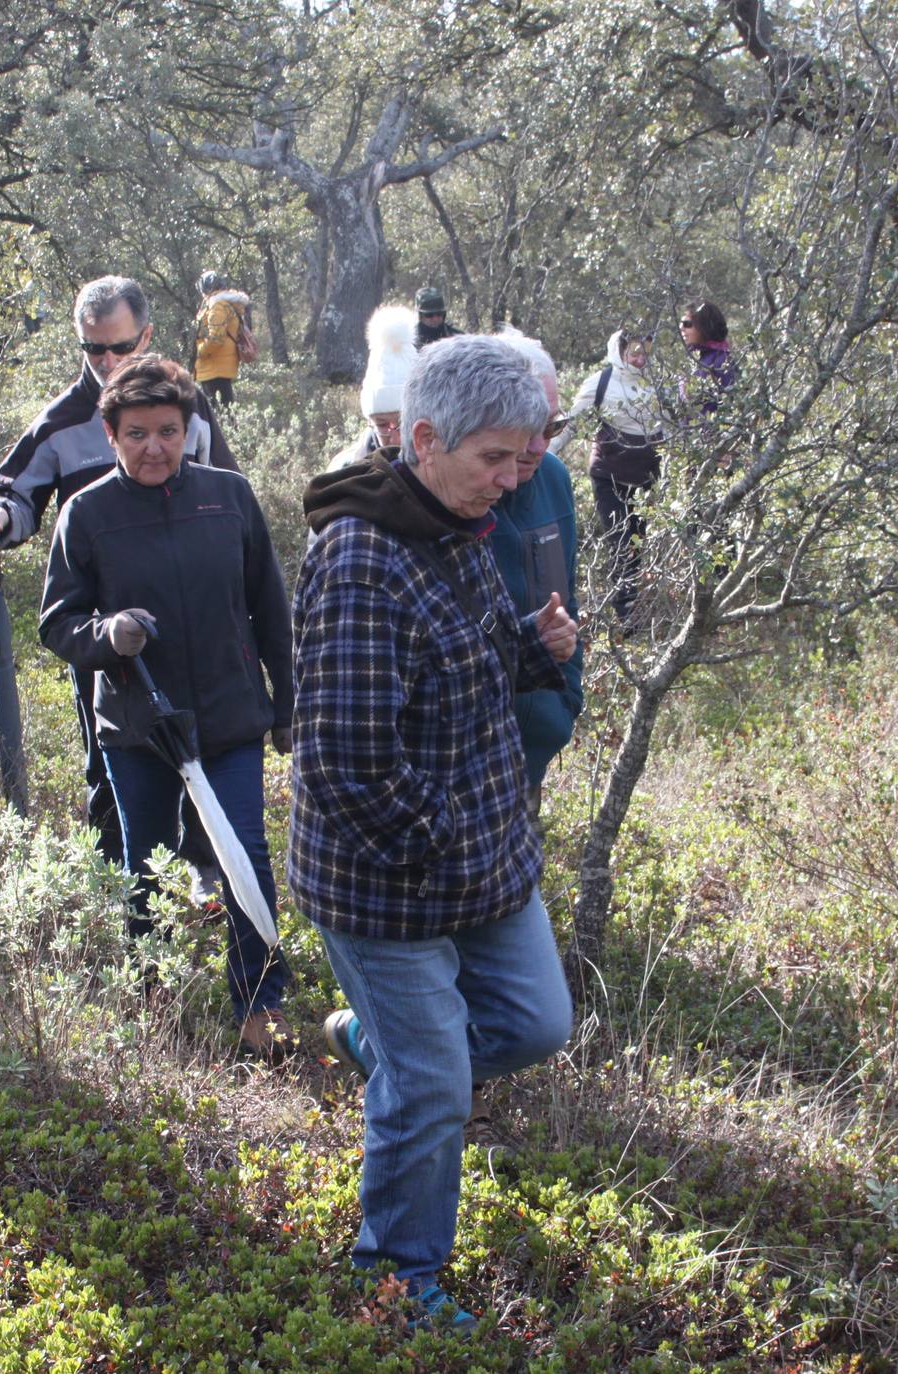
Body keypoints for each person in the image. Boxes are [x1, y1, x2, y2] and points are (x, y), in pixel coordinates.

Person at [293, 335, 579, 1327]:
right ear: (422, 438)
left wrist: (531, 653)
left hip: (480, 860)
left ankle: (379, 1053)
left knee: (538, 1025)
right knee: (434, 1091)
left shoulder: (454, 519)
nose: (510, 480)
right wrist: (457, 841)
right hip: (385, 886)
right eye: (494, 458)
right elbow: (347, 767)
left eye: (526, 457)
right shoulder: (363, 563)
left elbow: (461, 665)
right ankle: (398, 1279)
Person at [38, 356, 294, 1058]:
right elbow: (56, 625)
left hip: (230, 712)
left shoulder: (229, 497)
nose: (155, 447)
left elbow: (271, 609)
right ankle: (150, 995)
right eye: (138, 433)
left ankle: (258, 1003)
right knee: (145, 862)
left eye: (169, 432)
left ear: (190, 431)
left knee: (245, 855)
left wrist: (286, 706)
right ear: (110, 435)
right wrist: (107, 634)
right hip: (136, 724)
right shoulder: (86, 513)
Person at [0, 276, 238, 866]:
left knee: (203, 742)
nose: (108, 361)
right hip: (101, 632)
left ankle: (201, 871)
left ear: (147, 335)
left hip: (193, 618)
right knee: (108, 756)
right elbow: (16, 498)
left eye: (120, 347)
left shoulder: (186, 405)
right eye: (93, 349)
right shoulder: (62, 420)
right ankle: (122, 887)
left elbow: (230, 498)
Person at [488, 329, 584, 818]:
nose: (538, 445)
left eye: (551, 425)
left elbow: (567, 601)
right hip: (470, 760)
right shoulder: (459, 495)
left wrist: (564, 704)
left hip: (534, 746)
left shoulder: (555, 479)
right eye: (525, 426)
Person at [549, 328, 663, 621]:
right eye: (634, 353)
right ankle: (626, 617)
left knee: (637, 542)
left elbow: (673, 427)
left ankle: (631, 606)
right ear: (620, 352)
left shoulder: (658, 385)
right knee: (622, 542)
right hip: (608, 477)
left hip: (645, 480)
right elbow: (572, 423)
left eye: (644, 353)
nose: (640, 360)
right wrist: (546, 454)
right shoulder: (601, 383)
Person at [327, 304, 416, 470]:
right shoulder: (344, 471)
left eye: (403, 424)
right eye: (382, 425)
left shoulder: (447, 469)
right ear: (370, 422)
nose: (395, 439)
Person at [192, 271, 254, 409]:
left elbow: (216, 339)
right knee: (226, 410)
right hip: (220, 365)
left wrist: (199, 351)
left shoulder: (217, 306)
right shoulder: (224, 303)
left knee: (216, 415)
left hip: (214, 366)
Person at [680, 299, 737, 404]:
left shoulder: (723, 361)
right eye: (681, 323)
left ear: (703, 326)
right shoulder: (696, 359)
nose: (682, 328)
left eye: (687, 324)